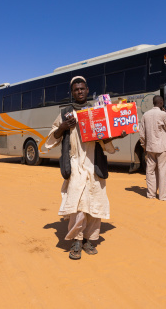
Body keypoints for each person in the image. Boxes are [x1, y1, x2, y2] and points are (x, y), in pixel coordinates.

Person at [45, 76, 120, 260]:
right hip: (75, 164)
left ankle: (89, 239)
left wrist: (117, 135)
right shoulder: (65, 114)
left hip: (94, 163)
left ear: (87, 90)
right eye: (76, 89)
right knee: (78, 204)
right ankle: (76, 241)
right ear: (72, 92)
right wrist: (62, 127)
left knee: (95, 203)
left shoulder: (97, 111)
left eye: (82, 88)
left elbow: (105, 138)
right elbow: (51, 139)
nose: (79, 91)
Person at [139, 95, 166, 201]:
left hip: (150, 147)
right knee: (162, 171)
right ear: (161, 102)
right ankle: (163, 196)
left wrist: (144, 145)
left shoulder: (145, 115)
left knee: (150, 171)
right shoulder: (163, 114)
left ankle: (151, 194)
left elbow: (141, 133)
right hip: (162, 147)